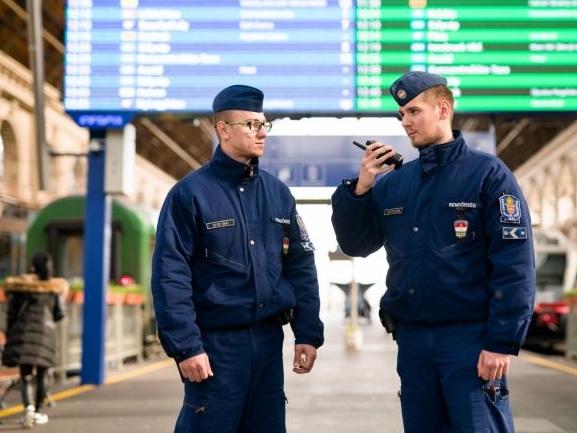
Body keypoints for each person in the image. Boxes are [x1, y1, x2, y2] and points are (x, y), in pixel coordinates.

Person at [331, 71, 536, 433]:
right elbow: (356, 244)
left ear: (442, 109)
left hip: (469, 341)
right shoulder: (394, 183)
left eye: (413, 111)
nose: (406, 122)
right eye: (402, 115)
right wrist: (362, 187)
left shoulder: (488, 174)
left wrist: (501, 342)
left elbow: (514, 264)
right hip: (413, 342)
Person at [152, 84, 324, 433]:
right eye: (251, 124)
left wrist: (307, 331)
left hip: (267, 344)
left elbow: (300, 266)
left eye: (264, 124)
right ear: (223, 129)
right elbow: (171, 274)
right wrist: (186, 347)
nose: (262, 132)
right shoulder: (190, 194)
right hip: (215, 347)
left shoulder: (278, 193)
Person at [2, 252, 68, 429]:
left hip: (23, 332)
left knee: (24, 373)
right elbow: (60, 313)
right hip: (46, 334)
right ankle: (38, 411)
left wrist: (9, 334)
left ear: (32, 266)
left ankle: (28, 408)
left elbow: (11, 313)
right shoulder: (54, 288)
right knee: (42, 373)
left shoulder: (19, 286)